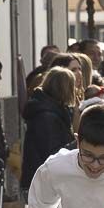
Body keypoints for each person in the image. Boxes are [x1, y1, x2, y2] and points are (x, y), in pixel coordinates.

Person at [22, 66, 78, 195]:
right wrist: (77, 143)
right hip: (42, 181)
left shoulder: (52, 110)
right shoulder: (46, 116)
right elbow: (52, 153)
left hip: (44, 178)